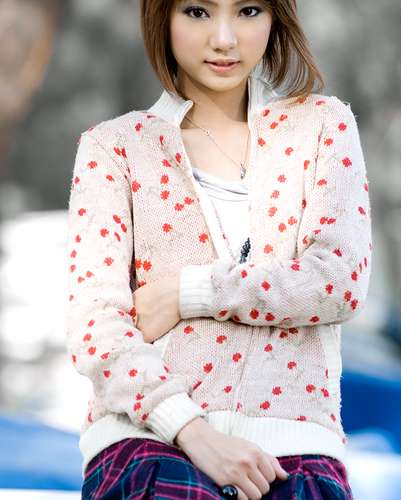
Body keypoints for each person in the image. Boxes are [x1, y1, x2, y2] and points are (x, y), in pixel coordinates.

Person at [67, 0, 372, 498]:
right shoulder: (114, 147)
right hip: (149, 445)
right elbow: (96, 324)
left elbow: (338, 280)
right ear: (162, 17)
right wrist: (190, 430)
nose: (224, 39)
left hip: (296, 448)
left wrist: (190, 292)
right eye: (197, 11)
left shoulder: (322, 126)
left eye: (248, 10)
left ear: (276, 17)